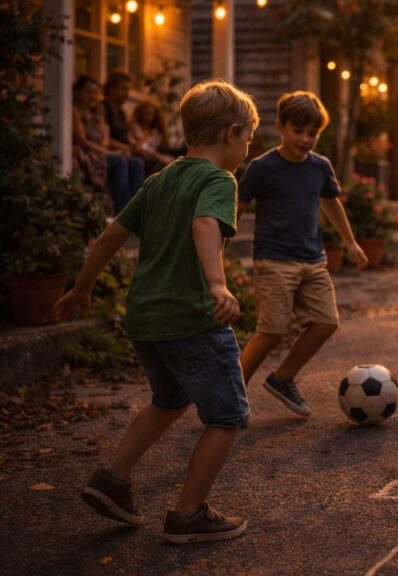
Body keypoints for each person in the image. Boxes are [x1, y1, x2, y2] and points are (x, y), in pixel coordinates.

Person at [55, 79, 260, 544]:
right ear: (231, 133)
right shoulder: (217, 180)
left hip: (146, 320)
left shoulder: (160, 178)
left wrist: (82, 287)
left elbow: (110, 236)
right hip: (191, 319)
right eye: (248, 138)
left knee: (168, 400)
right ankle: (188, 515)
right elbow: (205, 223)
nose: (248, 148)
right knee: (227, 416)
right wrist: (216, 283)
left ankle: (112, 478)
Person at [237, 90, 368, 418]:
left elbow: (331, 202)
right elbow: (235, 208)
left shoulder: (319, 167)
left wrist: (350, 242)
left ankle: (282, 378)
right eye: (299, 131)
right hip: (274, 260)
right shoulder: (262, 167)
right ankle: (231, 396)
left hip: (313, 260)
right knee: (271, 330)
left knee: (326, 322)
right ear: (280, 126)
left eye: (313, 133)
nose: (306, 139)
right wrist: (219, 248)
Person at [71, 75, 141, 212]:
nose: (92, 96)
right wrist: (110, 152)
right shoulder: (75, 112)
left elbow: (104, 139)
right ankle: (124, 212)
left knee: (135, 162)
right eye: (88, 92)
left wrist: (100, 120)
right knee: (119, 161)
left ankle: (139, 209)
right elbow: (82, 141)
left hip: (100, 152)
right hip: (87, 154)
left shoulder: (96, 113)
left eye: (95, 93)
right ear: (78, 92)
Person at [103, 69, 145, 208]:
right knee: (124, 162)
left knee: (138, 162)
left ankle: (139, 207)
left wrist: (134, 144)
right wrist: (125, 148)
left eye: (128, 90)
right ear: (111, 88)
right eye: (123, 89)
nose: (126, 94)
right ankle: (124, 210)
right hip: (112, 152)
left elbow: (127, 136)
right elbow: (106, 139)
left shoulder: (121, 112)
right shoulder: (103, 109)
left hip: (125, 151)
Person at [129, 97, 176, 175]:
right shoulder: (135, 126)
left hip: (153, 155)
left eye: (152, 114)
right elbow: (139, 146)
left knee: (173, 162)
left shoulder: (154, 130)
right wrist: (158, 155)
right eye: (146, 113)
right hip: (140, 155)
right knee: (161, 163)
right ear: (140, 112)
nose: (148, 117)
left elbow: (165, 145)